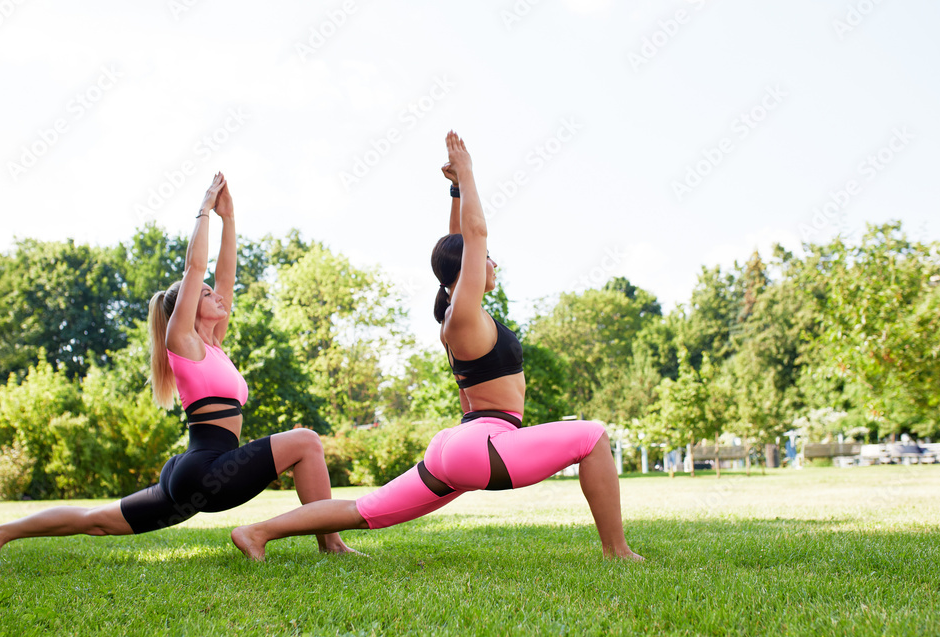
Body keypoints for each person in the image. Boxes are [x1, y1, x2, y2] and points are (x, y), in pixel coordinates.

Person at [231, 132, 641, 562]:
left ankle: (257, 532)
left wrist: (456, 190)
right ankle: (617, 551)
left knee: (364, 510)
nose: (493, 261)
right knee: (592, 436)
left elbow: (459, 240)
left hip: (458, 445)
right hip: (483, 444)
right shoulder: (463, 315)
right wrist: (468, 172)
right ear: (467, 267)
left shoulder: (457, 312)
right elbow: (474, 234)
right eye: (487, 257)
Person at [0, 173, 353, 564]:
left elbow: (227, 275)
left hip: (193, 473)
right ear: (187, 308)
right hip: (206, 472)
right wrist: (203, 212)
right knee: (306, 441)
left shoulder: (215, 344)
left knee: (97, 520)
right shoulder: (183, 343)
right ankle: (330, 543)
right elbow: (195, 270)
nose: (217, 295)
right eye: (206, 294)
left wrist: (230, 218)